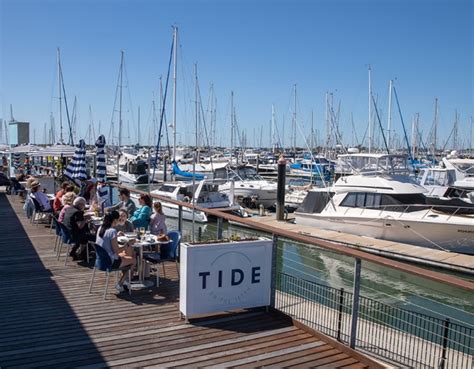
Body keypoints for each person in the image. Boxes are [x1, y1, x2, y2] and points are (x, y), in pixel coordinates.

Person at [95, 210, 136, 292]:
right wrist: (128, 244)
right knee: (133, 260)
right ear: (114, 220)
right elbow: (117, 251)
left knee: (125, 255)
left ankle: (124, 282)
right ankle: (121, 283)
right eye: (118, 218)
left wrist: (116, 236)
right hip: (110, 262)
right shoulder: (112, 231)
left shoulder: (101, 228)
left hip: (100, 260)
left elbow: (106, 241)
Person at [62, 197, 95, 261]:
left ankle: (75, 251)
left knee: (85, 233)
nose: (84, 206)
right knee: (93, 237)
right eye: (83, 205)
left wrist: (85, 220)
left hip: (68, 233)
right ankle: (83, 254)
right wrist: (85, 219)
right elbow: (80, 226)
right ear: (80, 204)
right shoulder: (77, 212)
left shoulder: (69, 209)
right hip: (74, 235)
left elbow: (75, 223)